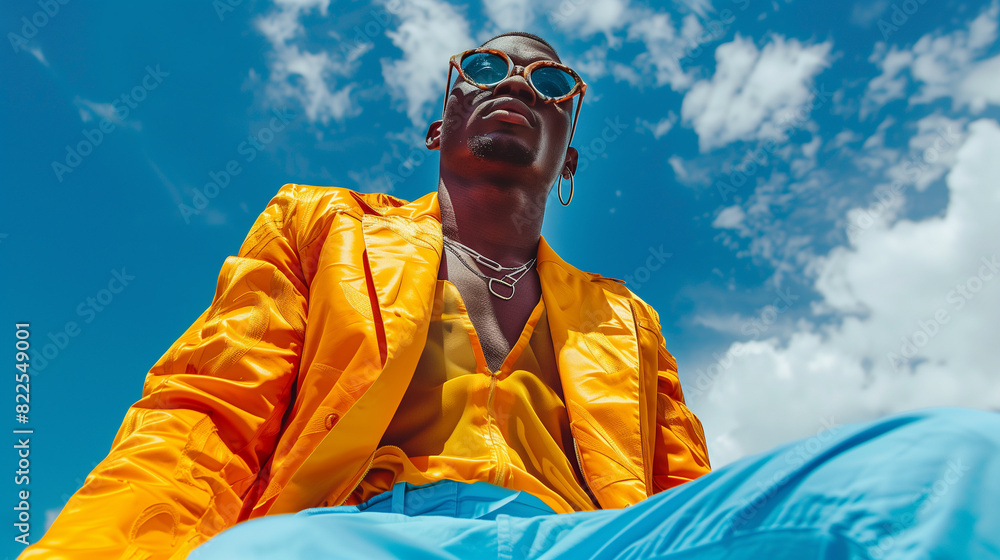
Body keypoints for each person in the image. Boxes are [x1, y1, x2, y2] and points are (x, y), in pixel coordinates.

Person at [20, 32, 1000, 560]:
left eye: (550, 80)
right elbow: (203, 416)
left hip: (588, 538)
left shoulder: (626, 320)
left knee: (951, 463)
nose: (515, 83)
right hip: (362, 531)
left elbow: (683, 497)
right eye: (483, 67)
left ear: (566, 151)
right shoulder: (320, 228)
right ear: (436, 124)